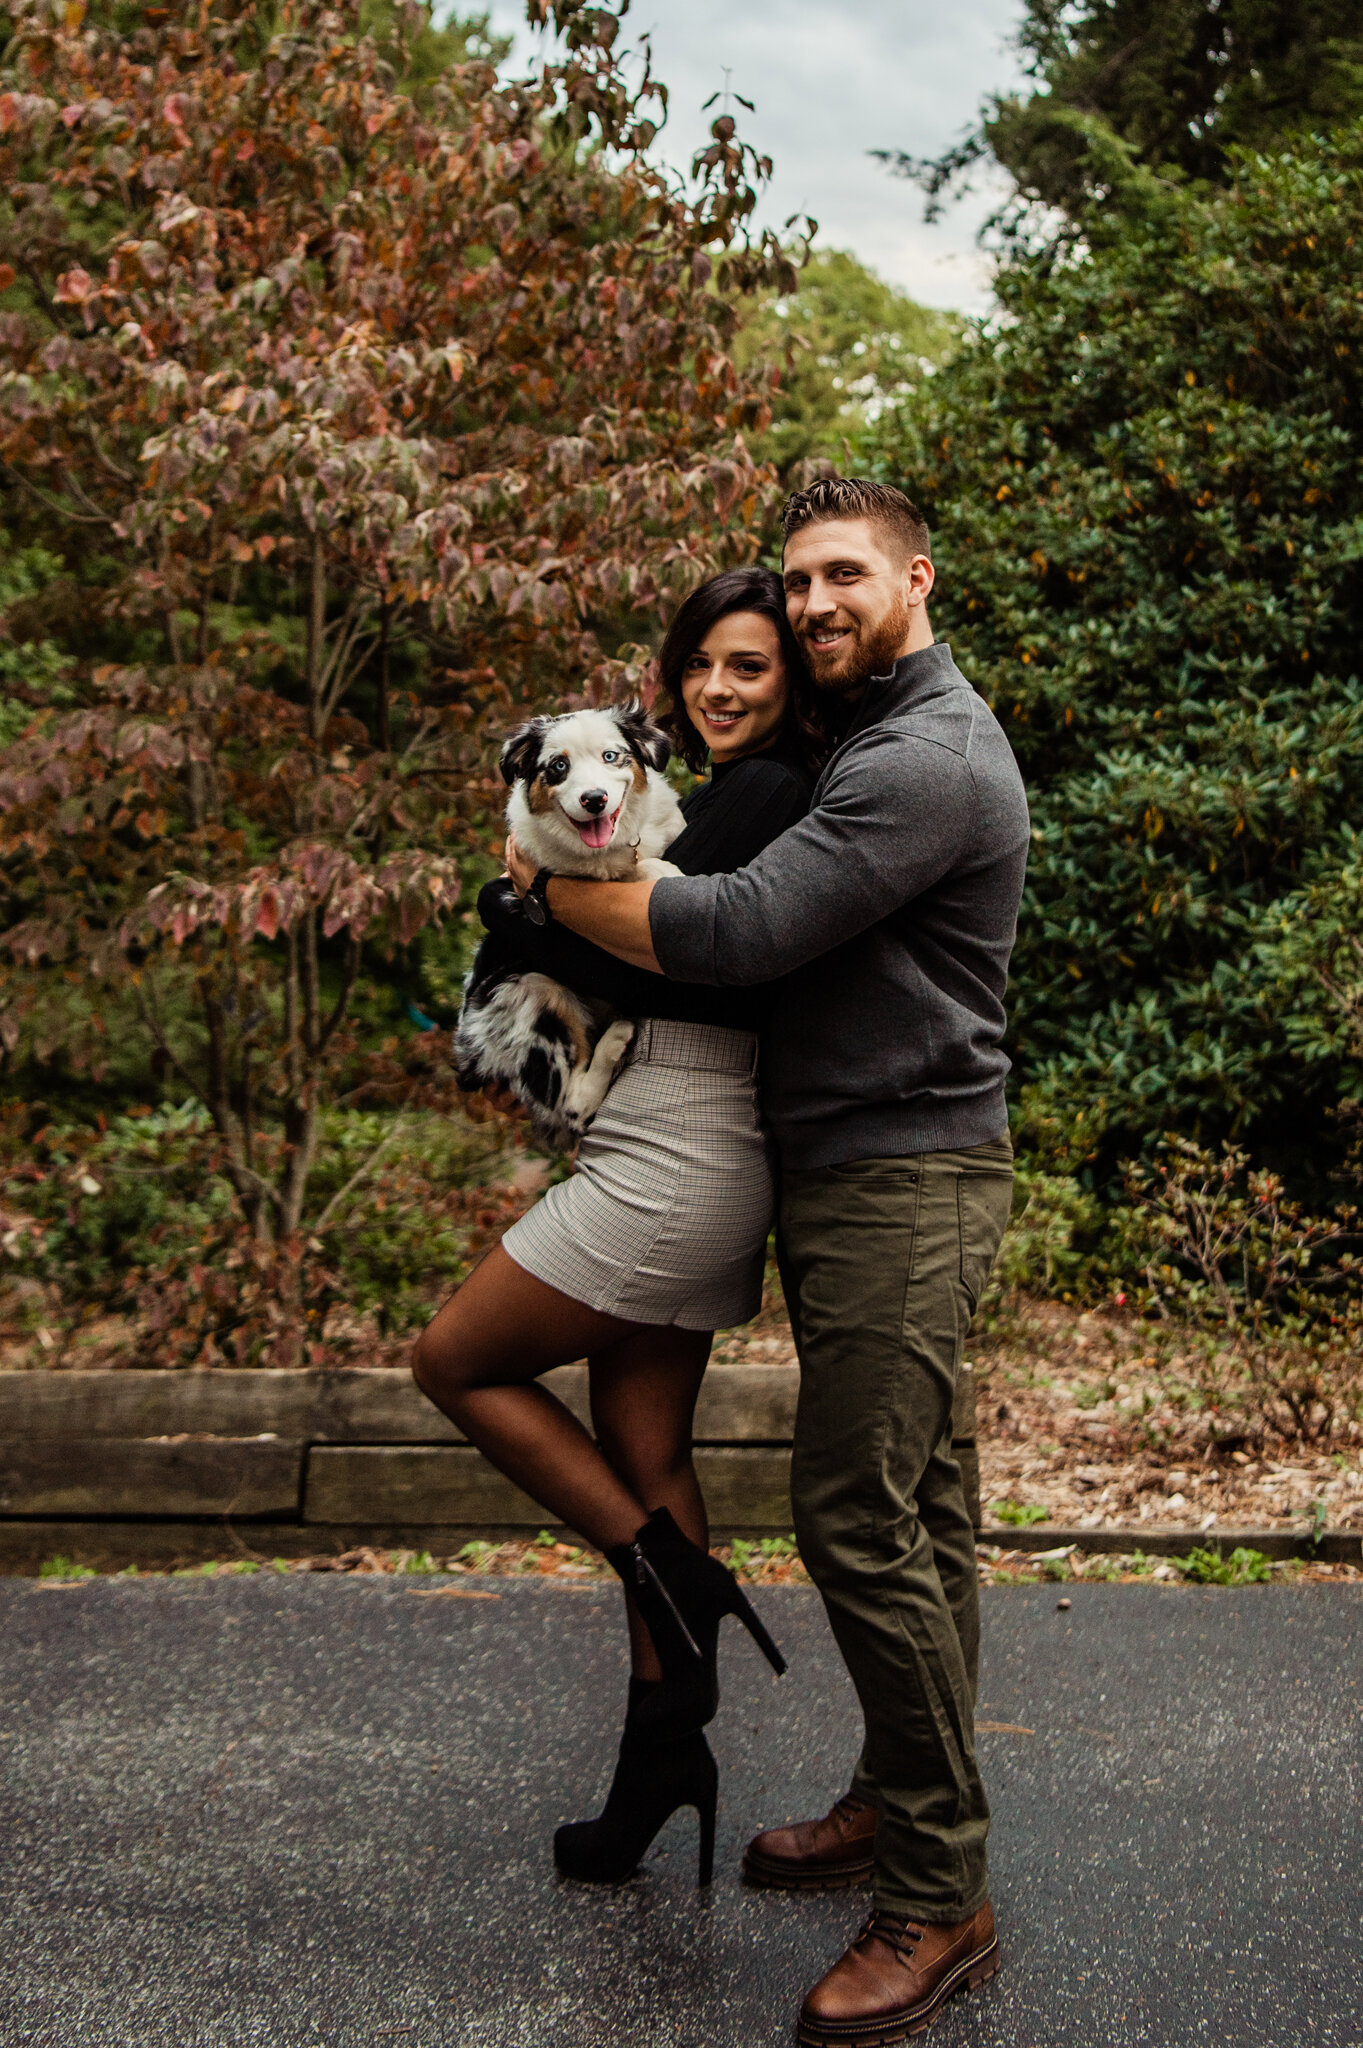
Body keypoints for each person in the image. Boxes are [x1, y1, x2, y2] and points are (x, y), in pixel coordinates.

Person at [503, 478, 1029, 2045]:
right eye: (799, 579)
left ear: (917, 576)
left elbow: (732, 930)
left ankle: (940, 1897)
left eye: (843, 574)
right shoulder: (868, 733)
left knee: (860, 1514)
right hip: (861, 1163)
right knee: (920, 1508)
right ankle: (897, 1794)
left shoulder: (925, 756)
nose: (811, 604)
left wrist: (545, 887)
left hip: (905, 1170)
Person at [412, 565, 826, 1888]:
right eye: (699, 664)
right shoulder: (693, 797)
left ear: (791, 681)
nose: (716, 687)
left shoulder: (766, 795)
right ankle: (662, 1754)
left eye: (750, 666)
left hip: (678, 1151)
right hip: (669, 1136)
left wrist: (518, 906)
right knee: (646, 1444)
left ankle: (667, 1573)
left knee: (454, 1362)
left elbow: (646, 939)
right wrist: (534, 912)